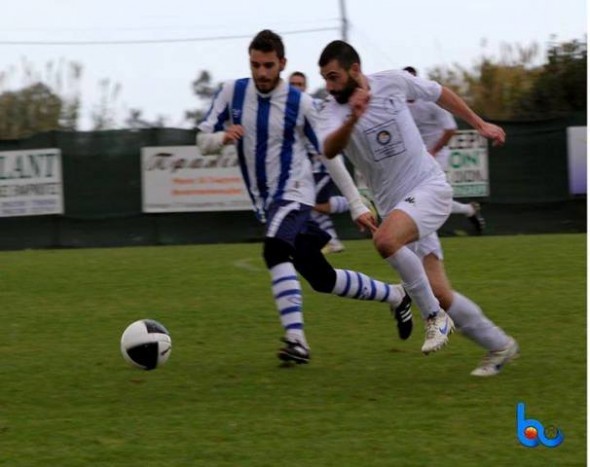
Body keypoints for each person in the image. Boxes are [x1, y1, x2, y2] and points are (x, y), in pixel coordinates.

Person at [197, 30, 413, 366]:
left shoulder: (302, 105)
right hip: (267, 203)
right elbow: (201, 140)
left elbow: (329, 156)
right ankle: (395, 295)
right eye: (256, 65)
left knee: (275, 250)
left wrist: (356, 203)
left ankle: (297, 341)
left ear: (282, 63)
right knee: (321, 278)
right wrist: (222, 138)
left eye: (269, 65)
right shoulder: (231, 92)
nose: (263, 73)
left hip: (295, 194)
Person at [317, 40, 519, 375]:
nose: (329, 85)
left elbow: (439, 92)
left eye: (334, 77)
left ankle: (433, 318)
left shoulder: (393, 81)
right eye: (325, 78)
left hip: (428, 187)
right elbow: (329, 148)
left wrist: (479, 123)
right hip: (398, 210)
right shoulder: (331, 111)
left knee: (384, 241)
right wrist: (353, 118)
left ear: (355, 70)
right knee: (440, 291)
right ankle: (500, 345)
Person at [403, 66, 485, 234]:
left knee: (426, 195)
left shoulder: (430, 102)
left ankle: (421, 230)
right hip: (417, 156)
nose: (408, 85)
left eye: (411, 81)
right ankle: (468, 210)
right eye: (405, 81)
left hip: (438, 155)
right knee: (420, 196)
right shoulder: (399, 105)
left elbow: (450, 129)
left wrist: (434, 150)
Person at [288, 70, 349, 254]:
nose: (297, 88)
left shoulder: (315, 105)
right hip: (307, 167)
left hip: (324, 163)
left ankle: (359, 200)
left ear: (305, 87)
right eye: (293, 84)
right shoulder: (285, 111)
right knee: (313, 207)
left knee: (316, 205)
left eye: (300, 84)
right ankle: (333, 242)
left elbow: (334, 117)